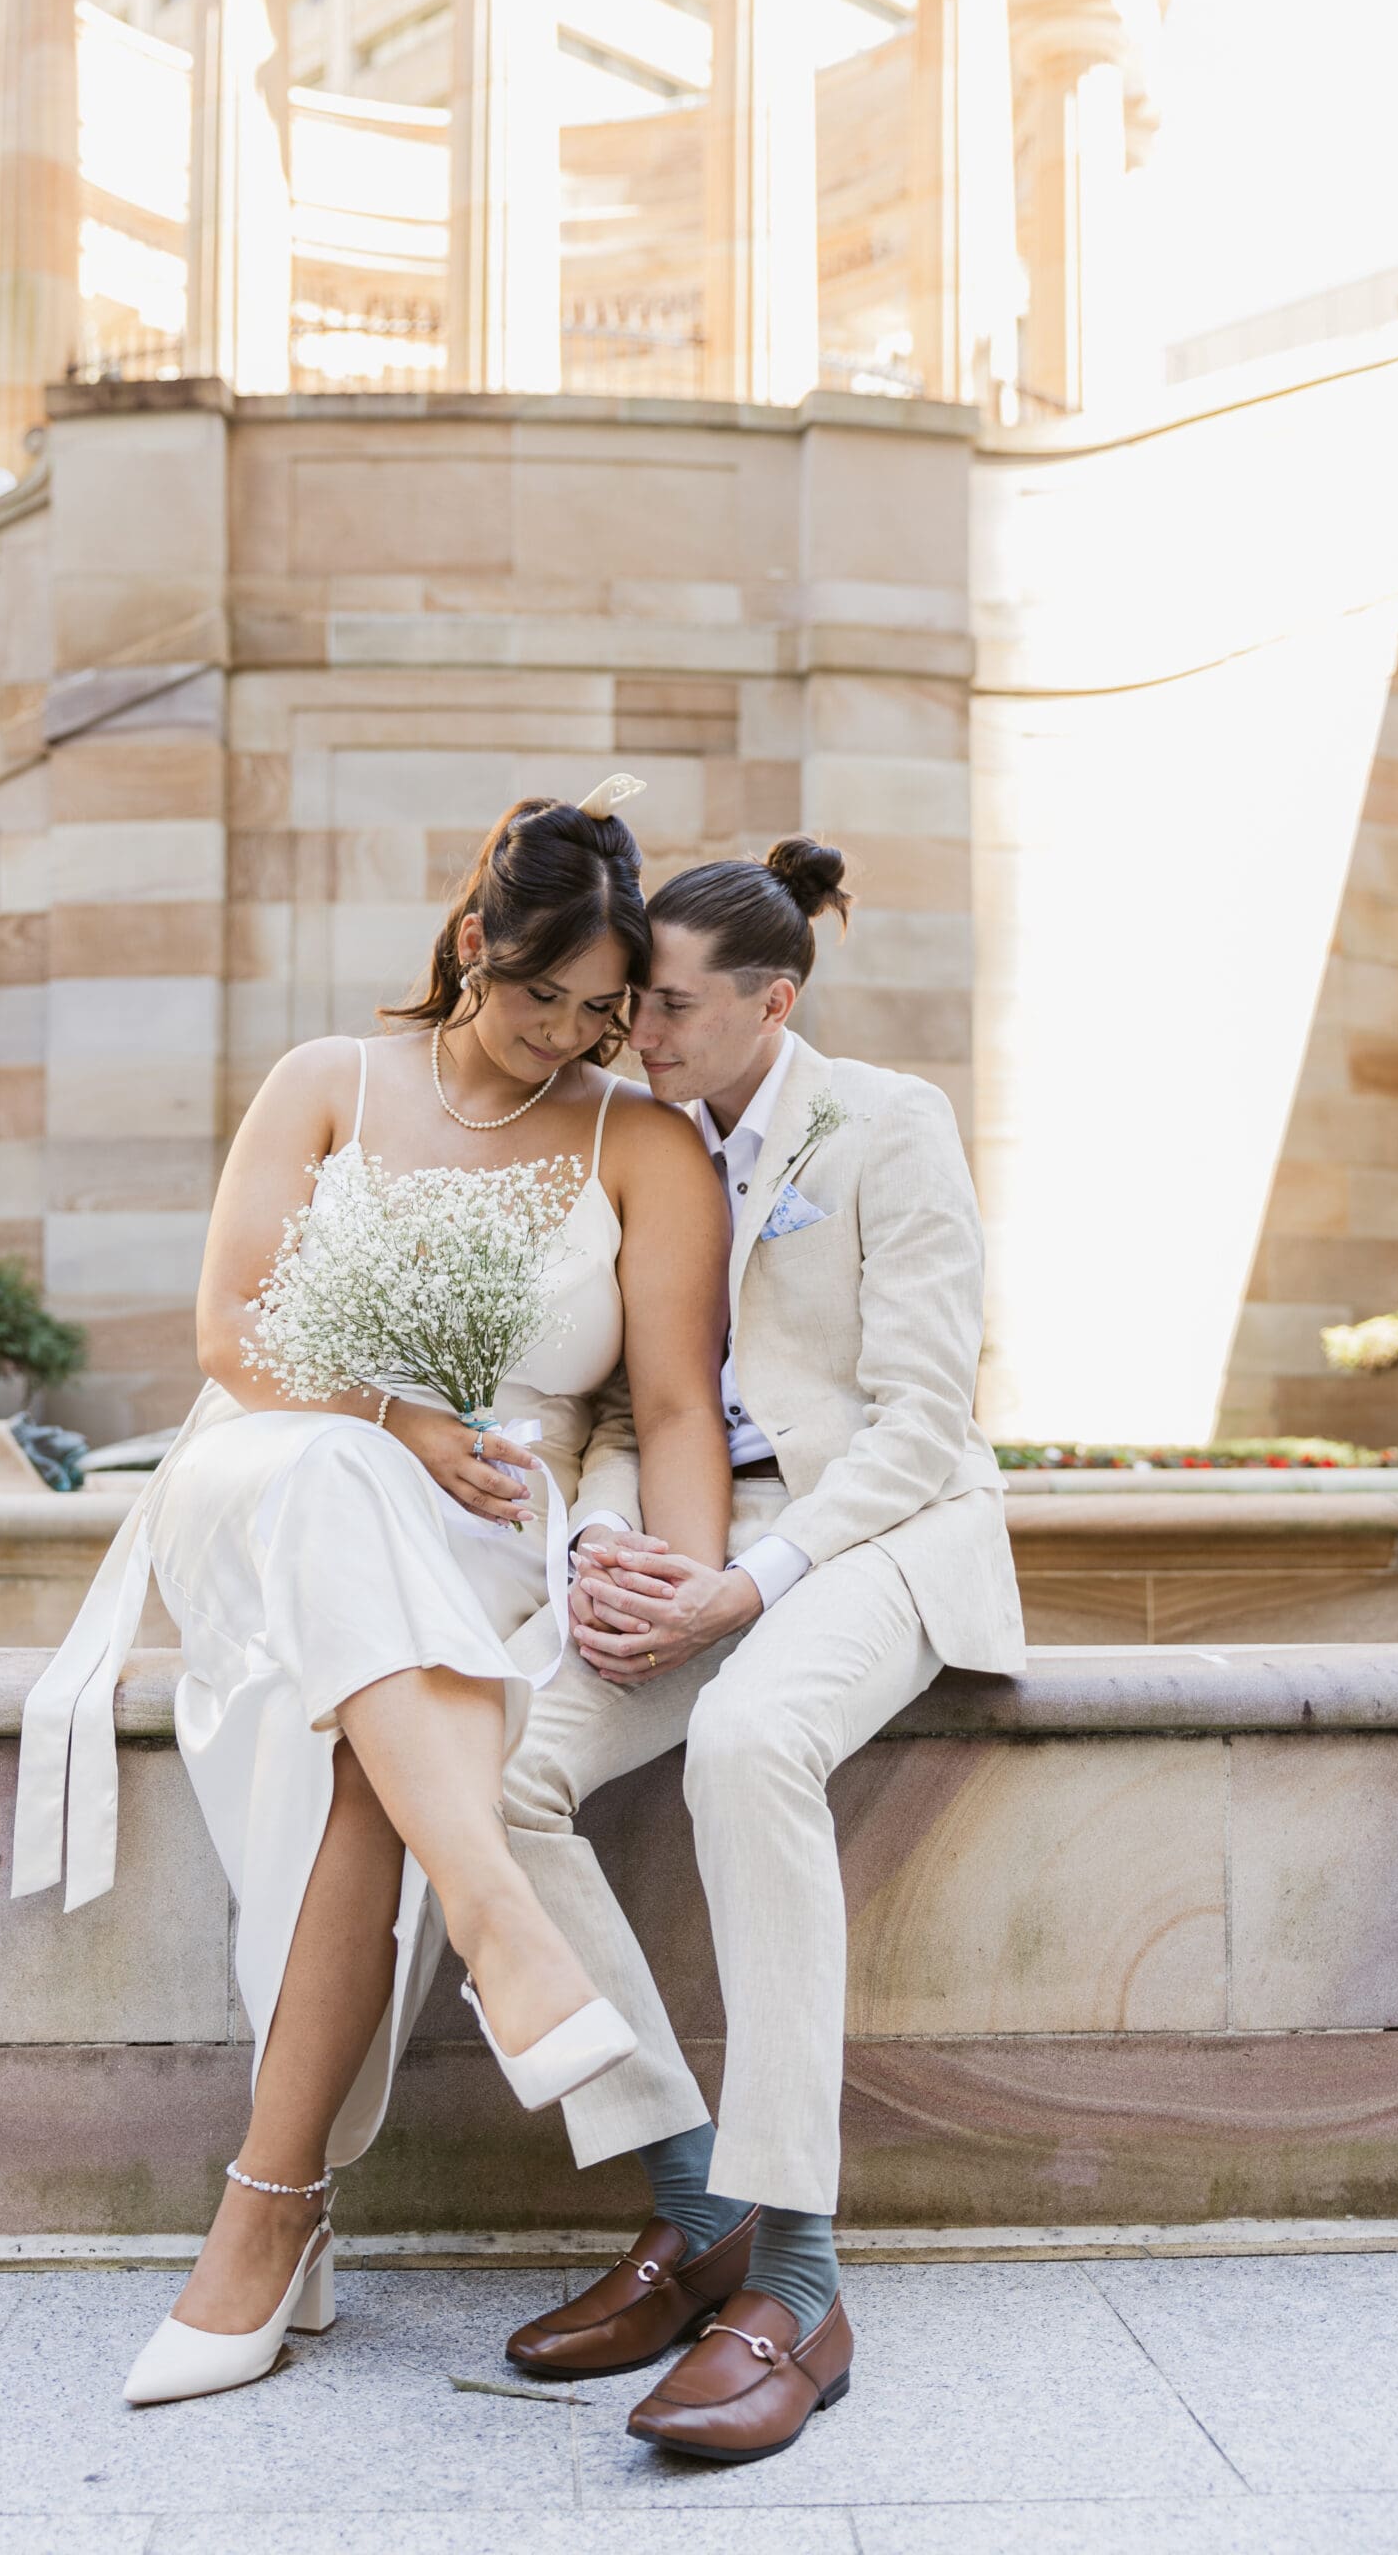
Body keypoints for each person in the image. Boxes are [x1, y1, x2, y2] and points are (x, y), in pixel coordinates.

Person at [9, 780, 734, 2407]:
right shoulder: (327, 1081)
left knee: (372, 1748)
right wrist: (395, 1419)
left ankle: (268, 2224)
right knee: (341, 1490)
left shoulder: (646, 1146)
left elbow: (676, 1406)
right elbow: (230, 1339)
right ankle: (500, 1921)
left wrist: (680, 1582)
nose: (563, 1034)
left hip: (486, 1532)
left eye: (599, 1011)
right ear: (476, 940)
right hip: (269, 1477)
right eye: (540, 992)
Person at [501, 835, 1026, 2465]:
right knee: (501, 1785)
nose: (631, 1032)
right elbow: (605, 1404)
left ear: (769, 999)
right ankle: (691, 2202)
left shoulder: (888, 1120)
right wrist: (604, 1549)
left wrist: (759, 1579)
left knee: (747, 1740)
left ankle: (795, 2278)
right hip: (687, 1526)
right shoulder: (632, 1138)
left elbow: (927, 1417)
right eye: (627, 1007)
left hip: (877, 1528)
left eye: (662, 1007)